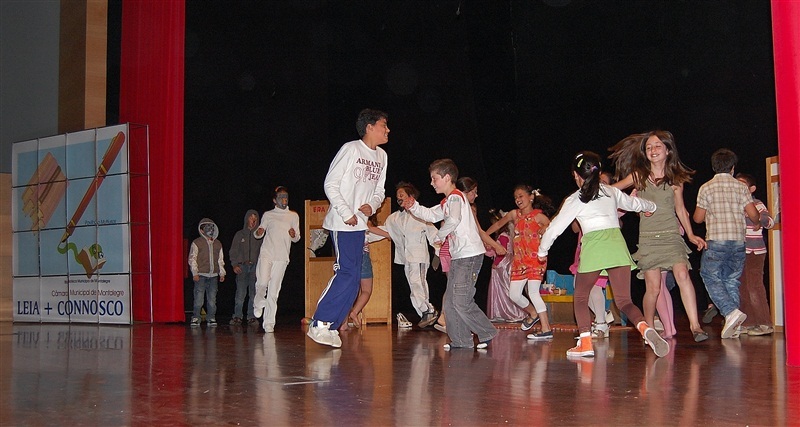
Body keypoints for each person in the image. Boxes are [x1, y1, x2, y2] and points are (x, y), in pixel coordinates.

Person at [538, 151, 669, 358]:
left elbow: (554, 229)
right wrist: (650, 206)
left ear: (576, 175)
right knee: (625, 301)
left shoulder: (575, 199)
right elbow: (634, 204)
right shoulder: (610, 192)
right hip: (617, 245)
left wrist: (542, 251)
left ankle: (586, 343)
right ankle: (645, 328)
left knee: (580, 297)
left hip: (594, 246)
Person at [609, 130, 709, 342]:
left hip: (671, 235)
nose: (653, 150)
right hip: (648, 238)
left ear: (667, 150)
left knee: (682, 274)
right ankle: (648, 328)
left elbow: (681, 209)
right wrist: (634, 204)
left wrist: (690, 234)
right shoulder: (639, 175)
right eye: (649, 148)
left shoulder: (675, 179)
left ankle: (695, 326)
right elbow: (612, 192)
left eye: (657, 146)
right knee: (653, 288)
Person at [307, 108, 389, 348]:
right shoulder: (350, 149)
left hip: (359, 225)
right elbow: (330, 184)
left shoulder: (382, 156)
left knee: (354, 280)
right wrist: (346, 213)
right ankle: (319, 323)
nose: (387, 130)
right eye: (384, 125)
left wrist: (371, 206)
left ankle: (332, 327)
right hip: (342, 223)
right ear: (370, 127)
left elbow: (380, 191)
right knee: (345, 273)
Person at [402, 159, 497, 350]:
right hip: (460, 256)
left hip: (469, 256)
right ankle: (461, 340)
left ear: (446, 178)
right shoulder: (448, 201)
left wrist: (440, 235)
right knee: (451, 302)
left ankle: (487, 331)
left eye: (434, 179)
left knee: (461, 300)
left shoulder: (455, 197)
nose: (431, 183)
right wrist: (413, 206)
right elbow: (430, 215)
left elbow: (453, 220)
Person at [693, 148, 761, 339]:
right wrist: (756, 222)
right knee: (731, 280)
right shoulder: (741, 188)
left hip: (716, 240)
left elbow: (698, 218)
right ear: (732, 167)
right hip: (738, 242)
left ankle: (730, 312)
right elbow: (753, 213)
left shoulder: (706, 187)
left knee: (709, 275)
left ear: (714, 167)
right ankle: (735, 326)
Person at [485, 185, 554, 340]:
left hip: (536, 259)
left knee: (533, 292)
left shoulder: (539, 216)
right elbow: (497, 224)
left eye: (521, 196)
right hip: (519, 261)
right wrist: (483, 235)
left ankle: (546, 328)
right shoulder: (513, 215)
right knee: (514, 294)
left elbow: (552, 227)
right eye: (516, 197)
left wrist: (545, 228)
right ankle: (533, 312)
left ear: (531, 197)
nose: (518, 200)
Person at [382, 182, 441, 328]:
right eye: (397, 196)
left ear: (411, 196)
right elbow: (386, 231)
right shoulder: (394, 218)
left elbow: (433, 234)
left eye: (401, 195)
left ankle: (428, 310)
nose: (399, 198)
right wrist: (367, 231)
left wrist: (439, 253)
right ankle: (426, 312)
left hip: (419, 255)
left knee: (417, 282)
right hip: (406, 257)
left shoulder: (420, 214)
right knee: (413, 287)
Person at [253, 186, 301, 333]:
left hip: (282, 257)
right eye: (281, 197)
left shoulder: (293, 216)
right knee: (262, 282)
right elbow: (259, 232)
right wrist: (259, 232)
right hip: (267, 253)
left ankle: (269, 323)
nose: (284, 199)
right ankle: (258, 302)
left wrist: (293, 235)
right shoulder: (268, 215)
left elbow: (297, 238)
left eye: (286, 196)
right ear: (275, 200)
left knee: (274, 291)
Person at [734, 173, 775, 336]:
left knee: (754, 286)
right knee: (742, 287)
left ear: (751, 189)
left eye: (742, 185)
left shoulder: (756, 204)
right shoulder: (733, 206)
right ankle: (750, 322)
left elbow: (769, 221)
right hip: (738, 252)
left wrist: (757, 219)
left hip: (754, 251)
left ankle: (765, 322)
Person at [485, 209, 526, 322]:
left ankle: (513, 312)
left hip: (502, 265)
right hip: (505, 264)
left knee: (504, 288)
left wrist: (496, 263)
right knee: (501, 289)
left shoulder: (503, 236)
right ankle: (501, 312)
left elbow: (502, 252)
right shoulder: (508, 236)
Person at [188, 218, 226, 326]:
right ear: (202, 230)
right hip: (201, 275)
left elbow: (220, 259)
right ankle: (196, 317)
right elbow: (192, 258)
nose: (210, 230)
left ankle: (211, 317)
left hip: (213, 275)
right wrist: (195, 273)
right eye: (207, 228)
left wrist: (221, 273)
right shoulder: (197, 242)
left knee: (212, 299)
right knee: (199, 298)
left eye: (212, 227)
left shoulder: (218, 243)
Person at [229, 209, 261, 325]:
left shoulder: (260, 235)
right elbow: (233, 251)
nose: (253, 220)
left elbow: (263, 251)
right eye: (251, 217)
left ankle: (251, 316)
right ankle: (237, 316)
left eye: (255, 218)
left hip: (255, 267)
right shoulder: (240, 234)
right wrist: (234, 264)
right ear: (247, 219)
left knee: (253, 293)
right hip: (242, 266)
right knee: (240, 293)